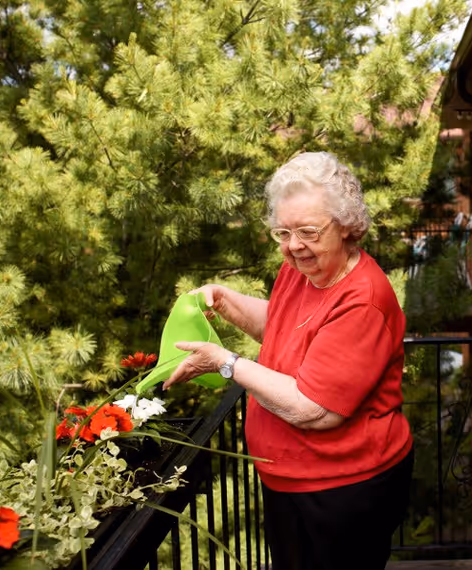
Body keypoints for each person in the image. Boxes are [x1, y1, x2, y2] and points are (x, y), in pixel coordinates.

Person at [162, 151, 414, 570]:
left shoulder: (362, 299)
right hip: (293, 477)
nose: (294, 246)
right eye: (283, 231)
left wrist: (226, 363)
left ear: (347, 226)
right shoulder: (302, 269)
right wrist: (225, 301)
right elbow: (282, 326)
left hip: (342, 487)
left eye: (309, 232)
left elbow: (316, 410)